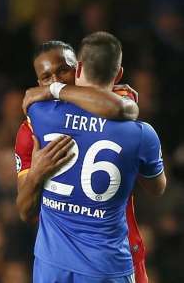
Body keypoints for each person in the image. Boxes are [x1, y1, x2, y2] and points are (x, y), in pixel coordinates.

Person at [26, 32, 166, 282]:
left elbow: (31, 98)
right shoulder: (141, 134)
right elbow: (156, 188)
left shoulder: (41, 115)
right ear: (119, 74)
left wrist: (57, 90)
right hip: (106, 267)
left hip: (51, 266)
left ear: (78, 68)